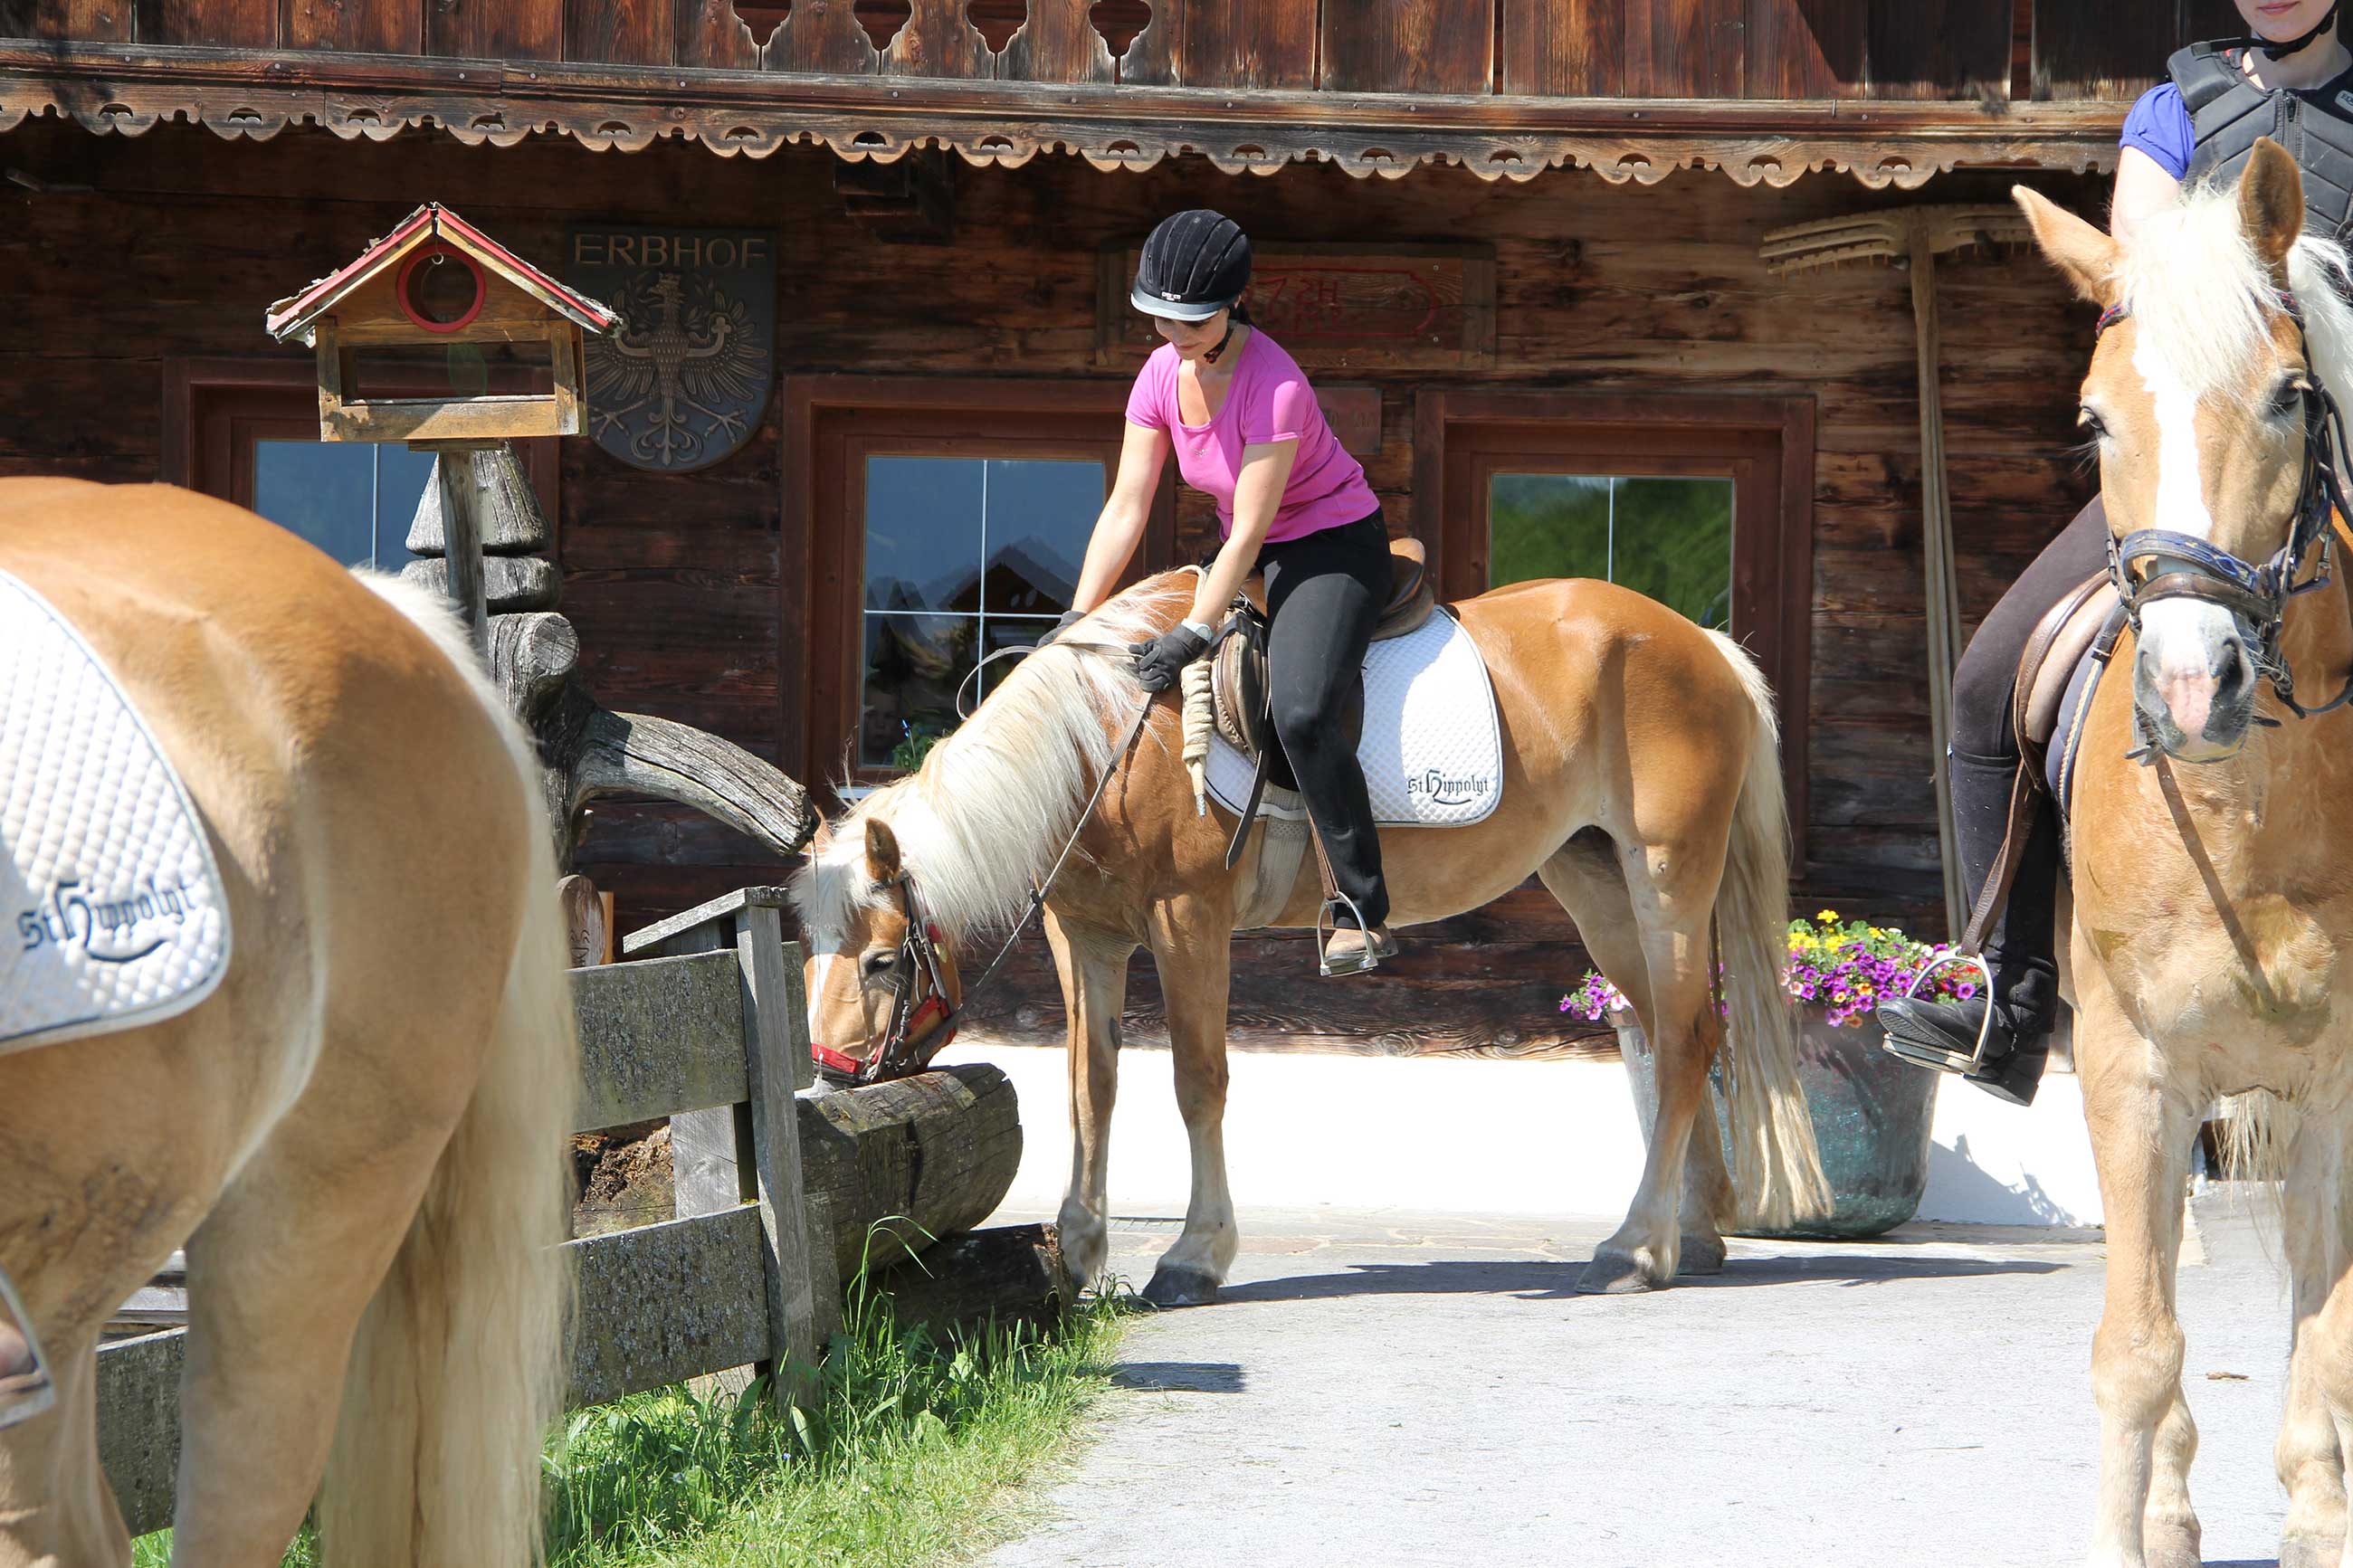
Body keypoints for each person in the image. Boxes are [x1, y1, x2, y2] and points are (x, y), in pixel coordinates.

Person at [1878, 0, 2353, 1104]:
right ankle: (1999, 982)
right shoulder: (2170, 107)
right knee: (1988, 679)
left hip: (2329, 426)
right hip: (2195, 454)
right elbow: (2134, 272)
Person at [1042, 209, 1396, 974]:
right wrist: (1078, 612)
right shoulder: (1158, 375)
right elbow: (1129, 504)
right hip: (1257, 541)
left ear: (1234, 303)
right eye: (1159, 317)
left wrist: (1193, 633)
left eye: (1191, 319)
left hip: (1330, 541)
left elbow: (1248, 535)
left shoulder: (1277, 386)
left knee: (1301, 710)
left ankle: (1358, 901)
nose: (1173, 333)